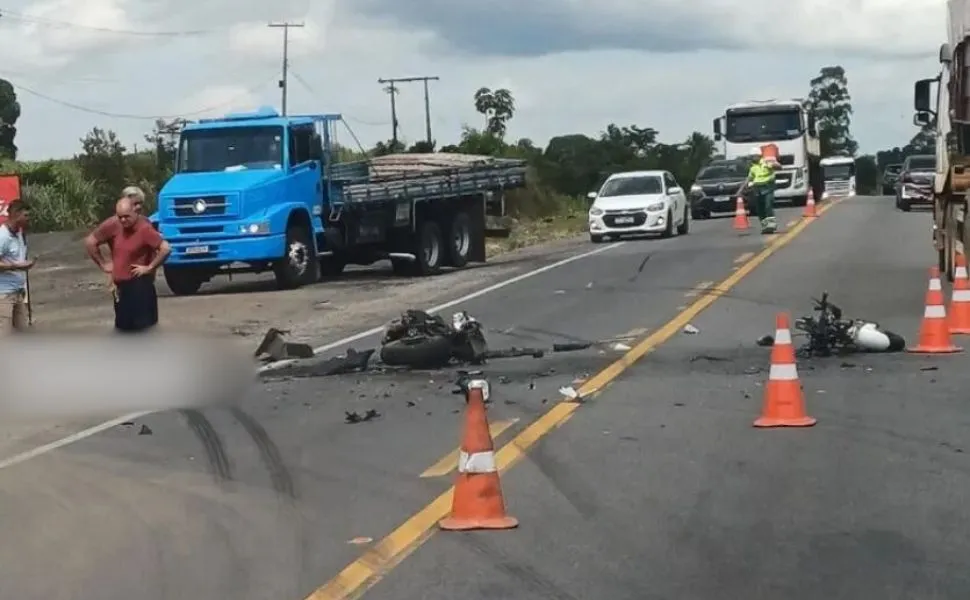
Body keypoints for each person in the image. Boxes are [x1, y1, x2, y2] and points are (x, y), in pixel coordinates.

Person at [84, 197, 171, 333]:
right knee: (123, 330)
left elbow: (165, 248)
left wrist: (150, 267)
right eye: (120, 217)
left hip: (139, 285)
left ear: (135, 212)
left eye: (126, 217)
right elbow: (90, 242)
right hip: (120, 288)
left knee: (145, 330)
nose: (123, 220)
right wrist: (104, 264)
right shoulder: (113, 225)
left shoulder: (144, 228)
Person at [0, 201, 33, 334]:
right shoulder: (2, 236)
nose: (28, 219)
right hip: (3, 295)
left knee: (21, 337)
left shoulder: (19, 234)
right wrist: (16, 266)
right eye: (26, 215)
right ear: (16, 214)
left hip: (18, 292)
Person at [742, 147, 779, 234]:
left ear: (758, 156)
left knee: (768, 205)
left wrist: (773, 165)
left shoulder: (766, 162)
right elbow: (749, 178)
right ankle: (765, 226)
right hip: (757, 189)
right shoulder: (753, 168)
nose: (751, 158)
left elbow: (779, 167)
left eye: (752, 156)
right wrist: (742, 189)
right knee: (760, 208)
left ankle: (771, 225)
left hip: (768, 187)